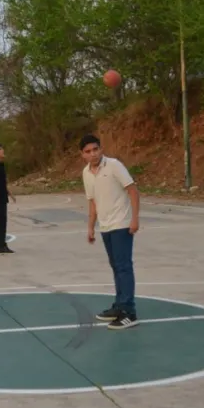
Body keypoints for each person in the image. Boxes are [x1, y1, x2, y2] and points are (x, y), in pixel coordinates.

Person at [80, 134, 141, 330]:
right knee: (116, 266)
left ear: (101, 149)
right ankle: (119, 305)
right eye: (88, 151)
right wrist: (91, 227)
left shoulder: (114, 165)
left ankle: (129, 312)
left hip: (122, 224)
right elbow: (93, 202)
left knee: (123, 267)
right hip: (105, 226)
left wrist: (134, 219)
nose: (93, 154)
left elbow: (132, 190)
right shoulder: (86, 173)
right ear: (82, 154)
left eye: (95, 149)